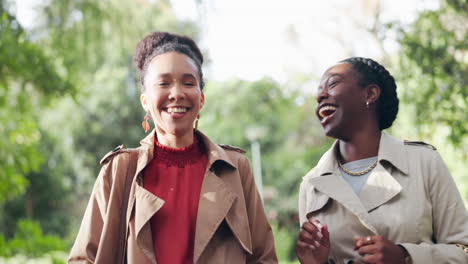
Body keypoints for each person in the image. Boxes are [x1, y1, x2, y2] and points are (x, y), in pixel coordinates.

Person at [68, 32, 277, 264]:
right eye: (164, 83)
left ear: (201, 99)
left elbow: (264, 257)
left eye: (188, 83)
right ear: (145, 100)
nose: (176, 94)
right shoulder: (119, 170)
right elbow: (83, 258)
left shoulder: (236, 169)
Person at [295, 57, 468, 264]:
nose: (320, 95)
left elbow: (462, 249)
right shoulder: (312, 185)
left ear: (370, 94)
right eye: (319, 91)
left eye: (332, 84)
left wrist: (406, 256)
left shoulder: (423, 162)